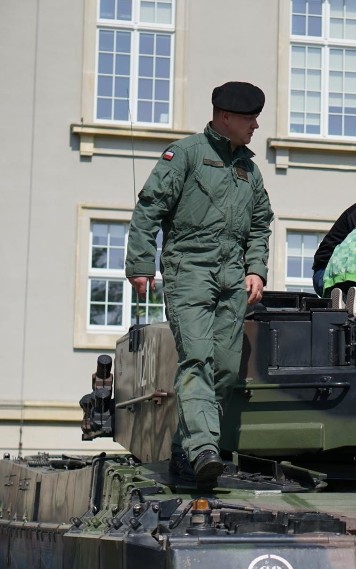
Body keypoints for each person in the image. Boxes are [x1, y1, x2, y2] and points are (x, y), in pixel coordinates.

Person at [125, 81, 274, 487]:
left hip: (231, 278)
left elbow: (261, 224)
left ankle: (182, 451)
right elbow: (150, 208)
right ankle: (206, 449)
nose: (256, 126)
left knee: (225, 371)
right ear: (225, 117)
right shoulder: (185, 154)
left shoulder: (249, 169)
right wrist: (141, 265)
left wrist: (256, 268)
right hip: (188, 270)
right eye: (249, 119)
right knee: (197, 360)